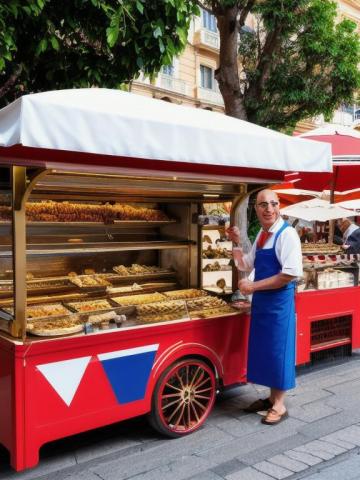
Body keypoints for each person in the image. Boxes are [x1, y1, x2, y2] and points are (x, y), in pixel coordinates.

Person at [227, 189, 302, 425]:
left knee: (278, 351)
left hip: (279, 303)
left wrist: (253, 286)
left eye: (273, 204)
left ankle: (279, 404)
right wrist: (236, 243)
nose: (268, 208)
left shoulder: (286, 234)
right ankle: (271, 399)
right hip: (262, 302)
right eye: (263, 205)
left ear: (279, 207)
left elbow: (288, 275)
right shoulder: (262, 233)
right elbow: (246, 264)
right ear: (256, 210)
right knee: (266, 351)